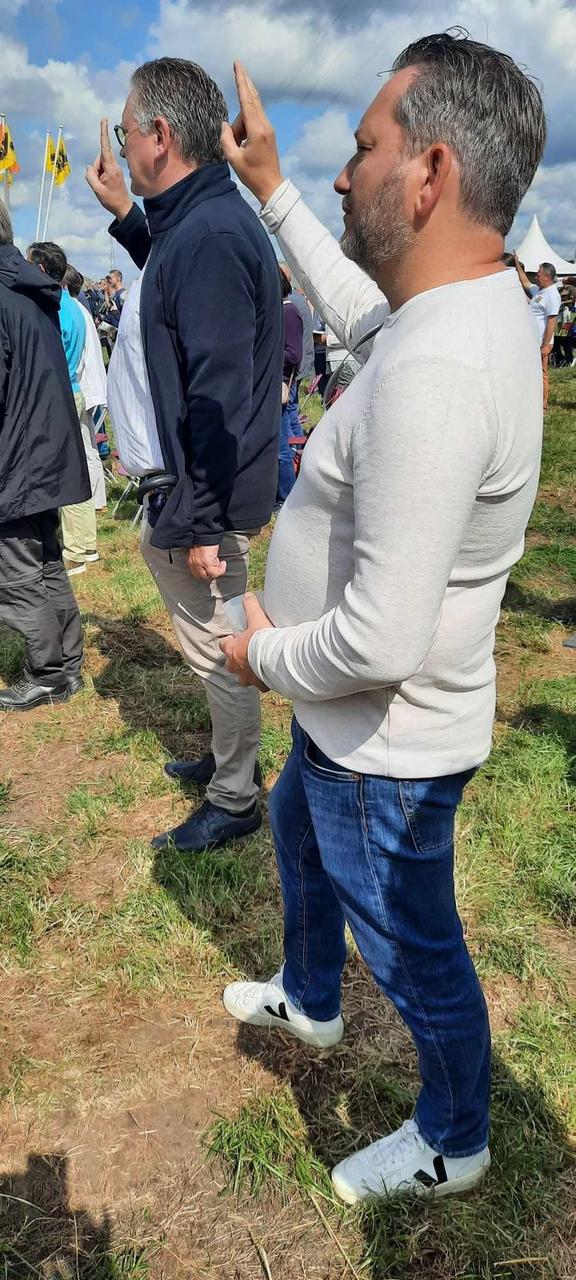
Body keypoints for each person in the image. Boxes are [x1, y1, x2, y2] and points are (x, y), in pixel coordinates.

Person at [219, 35, 546, 1204]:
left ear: (432, 172)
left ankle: (457, 1134)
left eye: (364, 148)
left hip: (384, 751)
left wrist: (259, 649)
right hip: (348, 741)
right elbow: (367, 313)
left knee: (418, 957)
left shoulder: (442, 368)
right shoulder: (457, 309)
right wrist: (273, 191)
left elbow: (378, 639)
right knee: (297, 838)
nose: (346, 170)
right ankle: (312, 995)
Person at [86, 57, 283, 852]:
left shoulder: (207, 235)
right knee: (208, 633)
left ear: (160, 135)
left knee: (220, 638)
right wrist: (127, 215)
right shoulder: (197, 226)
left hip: (204, 495)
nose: (125, 145)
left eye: (129, 131)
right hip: (188, 489)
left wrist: (201, 521)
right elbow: (170, 280)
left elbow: (219, 395)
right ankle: (227, 752)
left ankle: (237, 796)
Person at [0, 201, 89, 711]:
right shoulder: (29, 287)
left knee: (15, 571)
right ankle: (67, 666)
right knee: (48, 561)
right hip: (45, 450)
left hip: (16, 455)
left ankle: (47, 672)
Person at [27, 242, 99, 576]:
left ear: (40, 269)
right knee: (78, 468)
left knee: (67, 475)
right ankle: (83, 544)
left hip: (59, 393)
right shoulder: (71, 305)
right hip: (72, 390)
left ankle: (75, 550)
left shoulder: (52, 306)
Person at [63, 265, 108, 513]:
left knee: (85, 447)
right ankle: (97, 496)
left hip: (83, 384)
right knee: (88, 444)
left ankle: (94, 498)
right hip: (87, 383)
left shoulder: (71, 310)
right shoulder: (79, 309)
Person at [514, 257, 561, 411]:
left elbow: (552, 322)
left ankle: (543, 405)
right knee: (533, 371)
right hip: (533, 339)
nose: (536, 276)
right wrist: (517, 264)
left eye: (539, 274)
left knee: (542, 373)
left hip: (542, 341)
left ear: (547, 276)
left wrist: (546, 345)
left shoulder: (552, 295)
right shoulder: (540, 291)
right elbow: (525, 282)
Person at [277, 267, 303, 508]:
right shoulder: (280, 312)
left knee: (282, 444)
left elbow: (293, 354)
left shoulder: (288, 312)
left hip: (281, 383)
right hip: (275, 382)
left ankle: (286, 496)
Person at [279, 262, 314, 437]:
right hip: (300, 363)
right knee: (291, 412)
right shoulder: (297, 301)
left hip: (291, 369)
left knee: (290, 413)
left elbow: (293, 349)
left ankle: (296, 455)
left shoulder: (289, 306)